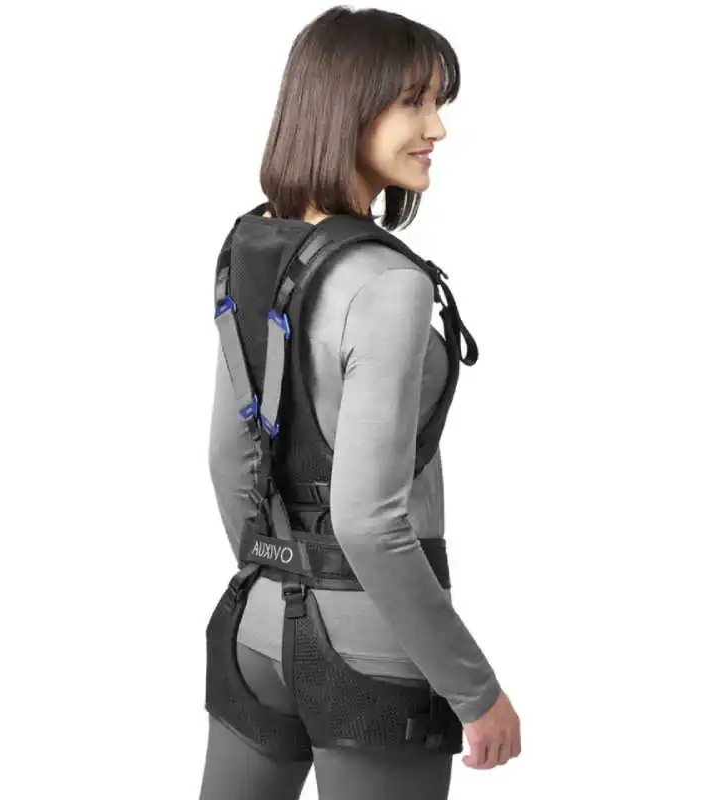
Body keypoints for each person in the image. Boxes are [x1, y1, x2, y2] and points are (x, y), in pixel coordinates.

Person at [200, 6, 521, 799]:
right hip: (370, 645)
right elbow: (371, 524)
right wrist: (476, 690)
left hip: (254, 624)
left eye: (437, 102)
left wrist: (283, 569)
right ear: (348, 106)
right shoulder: (388, 283)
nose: (437, 127)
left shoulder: (252, 246)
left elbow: (228, 461)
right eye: (414, 102)